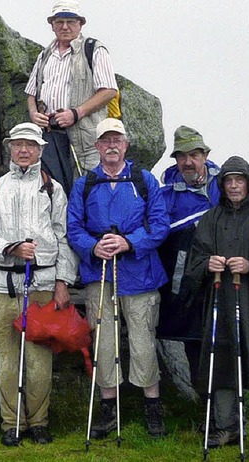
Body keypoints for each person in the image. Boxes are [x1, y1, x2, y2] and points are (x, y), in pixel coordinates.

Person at [0, 122, 78, 446]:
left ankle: (39, 422)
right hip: (1, 285)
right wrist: (10, 248)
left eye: (30, 145)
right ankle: (11, 423)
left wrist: (63, 282)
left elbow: (63, 238)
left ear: (40, 150)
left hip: (42, 285)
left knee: (38, 362)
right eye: (18, 144)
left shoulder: (52, 189)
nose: (23, 150)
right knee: (5, 360)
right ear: (10, 147)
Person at [67, 118, 170, 439]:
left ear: (125, 144)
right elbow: (73, 228)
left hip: (139, 274)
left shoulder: (144, 180)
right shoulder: (84, 184)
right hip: (99, 274)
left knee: (142, 341)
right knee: (104, 342)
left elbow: (159, 223)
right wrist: (94, 246)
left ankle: (152, 407)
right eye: (105, 140)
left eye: (117, 140)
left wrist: (128, 242)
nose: (111, 145)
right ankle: (109, 408)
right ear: (97, 146)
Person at [186, 156, 249, 459]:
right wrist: (207, 263)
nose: (234, 186)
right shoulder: (211, 218)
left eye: (239, 180)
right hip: (220, 298)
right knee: (221, 361)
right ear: (222, 184)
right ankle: (227, 426)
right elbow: (194, 260)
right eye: (229, 180)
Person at [25, 0, 118, 195]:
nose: (65, 26)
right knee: (54, 193)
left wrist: (76, 113)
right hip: (50, 136)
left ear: (80, 24)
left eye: (70, 21)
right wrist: (34, 114)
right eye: (59, 22)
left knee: (89, 191)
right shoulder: (44, 55)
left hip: (84, 137)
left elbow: (109, 90)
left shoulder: (94, 50)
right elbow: (31, 92)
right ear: (52, 24)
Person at [157, 126, 220, 383]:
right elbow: (160, 234)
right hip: (190, 281)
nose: (188, 162)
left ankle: (231, 402)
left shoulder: (226, 183)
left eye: (194, 155)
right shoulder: (166, 195)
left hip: (226, 274)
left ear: (205, 155)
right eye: (182, 156)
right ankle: (204, 403)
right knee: (194, 340)